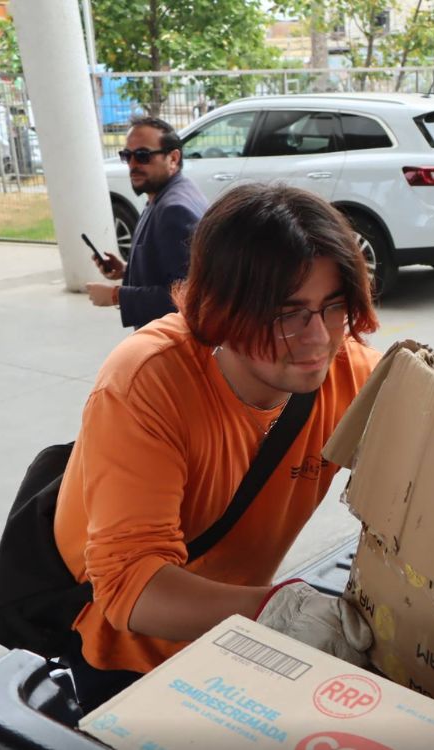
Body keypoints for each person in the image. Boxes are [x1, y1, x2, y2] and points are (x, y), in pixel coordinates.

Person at [55, 184, 382, 712]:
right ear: (220, 308)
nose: (318, 337)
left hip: (238, 634)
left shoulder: (349, 370)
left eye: (334, 306)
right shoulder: (146, 381)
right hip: (131, 653)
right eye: (287, 312)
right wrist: (278, 608)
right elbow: (129, 586)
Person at [85, 116, 208, 329]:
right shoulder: (164, 194)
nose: (133, 164)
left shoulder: (174, 210)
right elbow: (170, 271)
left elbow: (189, 297)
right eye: (127, 155)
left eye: (143, 155)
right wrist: (126, 270)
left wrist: (117, 296)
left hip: (172, 347)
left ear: (173, 158)